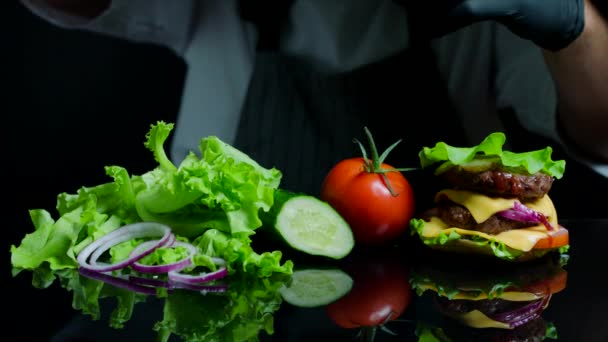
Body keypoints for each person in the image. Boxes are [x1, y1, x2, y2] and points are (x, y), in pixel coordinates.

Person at [20, 0, 608, 196]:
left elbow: (601, 134)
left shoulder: (480, 18)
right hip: (220, 300)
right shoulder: (216, 4)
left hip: (438, 308)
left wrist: (569, 21)